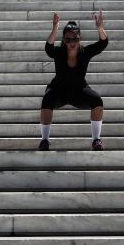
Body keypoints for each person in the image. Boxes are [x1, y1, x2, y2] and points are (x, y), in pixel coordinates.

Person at [38, 10, 108, 151]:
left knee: (97, 101)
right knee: (46, 100)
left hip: (79, 91)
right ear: (63, 40)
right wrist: (55, 28)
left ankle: (96, 140)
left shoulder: (85, 52)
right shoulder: (59, 52)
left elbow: (103, 43)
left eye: (75, 39)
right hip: (59, 90)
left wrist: (100, 28)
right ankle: (44, 140)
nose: (72, 43)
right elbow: (48, 48)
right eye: (68, 39)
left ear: (80, 38)